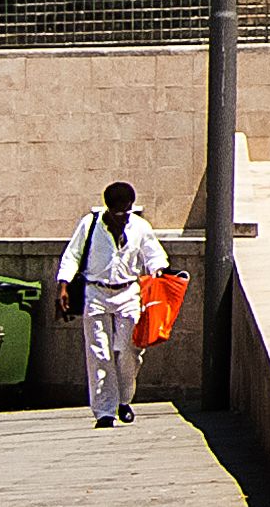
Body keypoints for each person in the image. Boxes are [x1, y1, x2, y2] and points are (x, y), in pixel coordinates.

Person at [56, 180, 169, 429]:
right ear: (107, 208)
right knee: (99, 353)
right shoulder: (90, 224)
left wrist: (160, 271)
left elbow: (154, 254)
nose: (120, 217)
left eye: (124, 211)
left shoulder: (139, 227)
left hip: (128, 293)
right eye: (115, 212)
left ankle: (124, 399)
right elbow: (72, 255)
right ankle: (104, 411)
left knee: (129, 351)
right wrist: (63, 285)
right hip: (95, 293)